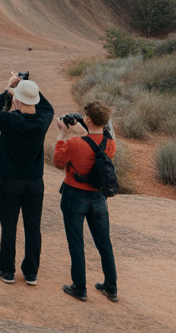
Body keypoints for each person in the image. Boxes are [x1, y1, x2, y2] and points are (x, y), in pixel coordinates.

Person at [0, 72, 54, 286]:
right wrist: (29, 87)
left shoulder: (8, 120)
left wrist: (10, 88)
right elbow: (47, 108)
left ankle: (6, 269)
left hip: (9, 180)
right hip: (34, 181)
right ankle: (31, 272)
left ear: (17, 98)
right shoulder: (42, 121)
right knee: (33, 226)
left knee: (9, 225)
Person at [54, 100, 119, 303]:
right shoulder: (110, 144)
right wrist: (86, 129)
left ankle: (79, 287)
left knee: (76, 243)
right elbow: (99, 140)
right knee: (104, 244)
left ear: (88, 118)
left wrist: (63, 133)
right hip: (98, 198)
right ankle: (111, 287)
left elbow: (58, 161)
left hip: (74, 195)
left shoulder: (74, 143)